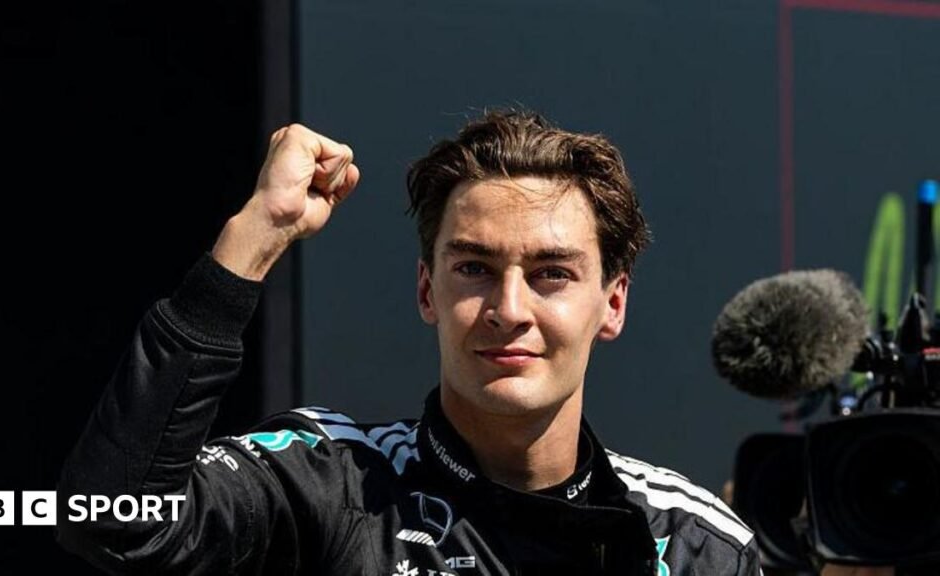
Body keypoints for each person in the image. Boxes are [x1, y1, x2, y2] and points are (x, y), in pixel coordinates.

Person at [56, 111, 762, 575]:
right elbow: (105, 520)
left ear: (612, 303)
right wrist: (255, 237)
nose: (508, 309)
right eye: (474, 269)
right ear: (428, 291)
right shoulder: (328, 485)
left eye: (551, 274)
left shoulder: (695, 543)